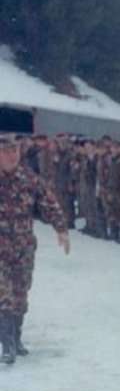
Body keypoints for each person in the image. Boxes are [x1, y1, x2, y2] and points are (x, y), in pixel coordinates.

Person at [0, 134, 70, 364]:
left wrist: (61, 228)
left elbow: (48, 203)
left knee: (20, 294)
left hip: (23, 248)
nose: (11, 156)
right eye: (6, 152)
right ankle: (7, 343)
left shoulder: (29, 179)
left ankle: (17, 338)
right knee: (4, 296)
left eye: (15, 152)